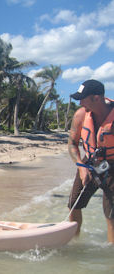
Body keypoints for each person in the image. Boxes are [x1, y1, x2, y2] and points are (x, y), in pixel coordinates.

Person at [67, 79, 114, 243]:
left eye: (83, 98)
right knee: (74, 204)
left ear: (97, 98)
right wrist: (81, 166)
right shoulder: (80, 115)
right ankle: (73, 244)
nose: (80, 102)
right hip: (89, 163)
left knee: (111, 215)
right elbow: (72, 144)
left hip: (113, 168)